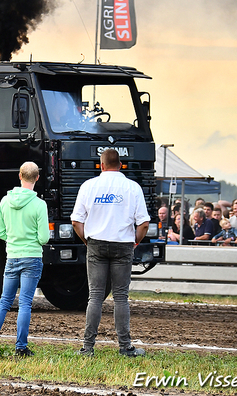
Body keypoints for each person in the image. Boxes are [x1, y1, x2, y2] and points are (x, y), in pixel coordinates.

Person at [71, 148, 149, 357]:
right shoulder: (133, 187)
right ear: (121, 165)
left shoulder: (89, 186)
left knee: (95, 296)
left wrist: (86, 240)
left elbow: (76, 221)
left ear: (101, 165)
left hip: (96, 243)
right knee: (121, 297)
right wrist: (135, 241)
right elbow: (143, 223)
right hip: (123, 244)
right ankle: (125, 346)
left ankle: (88, 347)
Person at [0, 161, 49, 357]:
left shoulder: (5, 201)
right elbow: (44, 238)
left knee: (4, 301)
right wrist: (31, 240)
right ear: (37, 178)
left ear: (19, 176)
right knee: (25, 303)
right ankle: (20, 347)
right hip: (32, 257)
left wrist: (13, 239)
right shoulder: (39, 205)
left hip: (12, 256)